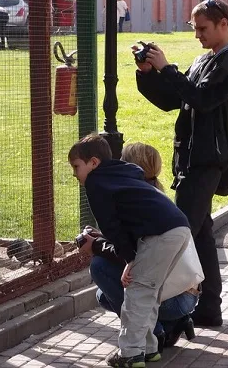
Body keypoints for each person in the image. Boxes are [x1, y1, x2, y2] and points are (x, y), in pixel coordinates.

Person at [133, 0, 228, 328]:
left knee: (178, 233)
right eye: (195, 28)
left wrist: (168, 68)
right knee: (200, 235)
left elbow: (203, 99)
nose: (197, 34)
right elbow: (174, 100)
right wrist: (149, 74)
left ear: (223, 24)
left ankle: (173, 307)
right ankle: (209, 307)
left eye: (202, 28)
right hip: (190, 158)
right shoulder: (203, 60)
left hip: (207, 160)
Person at [68, 134, 192, 367]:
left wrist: (129, 258)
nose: (75, 174)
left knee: (136, 294)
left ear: (93, 163)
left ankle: (130, 354)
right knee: (150, 293)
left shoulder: (96, 182)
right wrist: (131, 257)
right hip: (178, 228)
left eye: (76, 167)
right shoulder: (123, 173)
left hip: (160, 234)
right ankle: (149, 348)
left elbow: (111, 226)